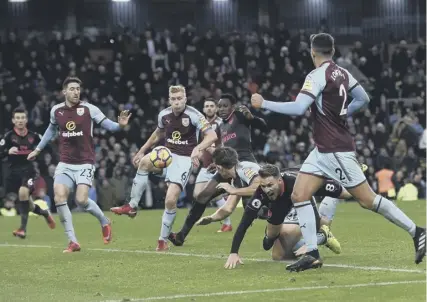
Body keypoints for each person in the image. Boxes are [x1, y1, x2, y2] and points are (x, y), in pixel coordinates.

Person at [251, 33, 426, 271]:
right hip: (321, 149)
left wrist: (265, 104)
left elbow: (299, 107)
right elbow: (363, 98)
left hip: (334, 148)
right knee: (299, 195)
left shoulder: (317, 75)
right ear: (332, 52)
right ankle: (312, 253)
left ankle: (417, 231)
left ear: (313, 52)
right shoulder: (343, 73)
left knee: (367, 200)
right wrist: (342, 114)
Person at [27, 76, 131, 253]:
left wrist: (120, 126)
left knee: (81, 200)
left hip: (85, 163)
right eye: (72, 89)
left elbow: (109, 126)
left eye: (78, 89)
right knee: (60, 197)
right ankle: (72, 241)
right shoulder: (56, 111)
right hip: (65, 162)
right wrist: (38, 149)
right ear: (64, 92)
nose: (76, 92)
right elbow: (50, 130)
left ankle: (104, 221)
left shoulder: (89, 109)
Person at [110, 85, 217, 252]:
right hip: (166, 154)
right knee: (144, 162)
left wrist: (199, 148)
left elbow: (212, 136)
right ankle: (132, 206)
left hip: (184, 159)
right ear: (169, 100)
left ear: (185, 99)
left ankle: (162, 240)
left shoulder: (195, 115)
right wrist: (141, 151)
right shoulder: (164, 115)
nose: (176, 102)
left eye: (179, 98)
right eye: (173, 99)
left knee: (170, 200)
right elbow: (157, 134)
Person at [197, 164, 348, 268]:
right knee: (273, 251)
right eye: (263, 186)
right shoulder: (260, 194)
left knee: (291, 230)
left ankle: (322, 236)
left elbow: (332, 195)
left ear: (279, 181)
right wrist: (233, 252)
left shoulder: (297, 183)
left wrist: (312, 241)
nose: (266, 190)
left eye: (270, 185)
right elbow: (244, 223)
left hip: (298, 203)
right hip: (279, 207)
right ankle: (313, 241)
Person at [168, 146, 260, 247]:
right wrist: (212, 218)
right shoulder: (228, 171)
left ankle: (274, 222)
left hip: (268, 195)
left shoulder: (244, 170)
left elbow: (258, 188)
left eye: (216, 166)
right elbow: (228, 209)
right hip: (228, 170)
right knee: (202, 196)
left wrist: (233, 190)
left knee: (249, 203)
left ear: (219, 167)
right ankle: (181, 236)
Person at [0, 108, 55, 238]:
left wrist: (39, 152)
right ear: (13, 120)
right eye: (17, 118)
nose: (20, 120)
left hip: (29, 170)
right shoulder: (8, 136)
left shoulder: (34, 136)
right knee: (28, 204)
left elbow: (49, 147)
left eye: (22, 118)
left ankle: (22, 230)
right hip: (13, 173)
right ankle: (44, 213)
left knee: (23, 193)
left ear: (26, 119)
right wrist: (7, 151)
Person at [194, 98, 232, 232]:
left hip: (217, 165)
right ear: (203, 109)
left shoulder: (221, 123)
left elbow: (227, 143)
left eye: (211, 106)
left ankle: (227, 223)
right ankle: (223, 195)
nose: (209, 108)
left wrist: (217, 153)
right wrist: (198, 154)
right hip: (205, 165)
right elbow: (200, 144)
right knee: (198, 194)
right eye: (207, 106)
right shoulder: (201, 125)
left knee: (206, 195)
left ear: (215, 108)